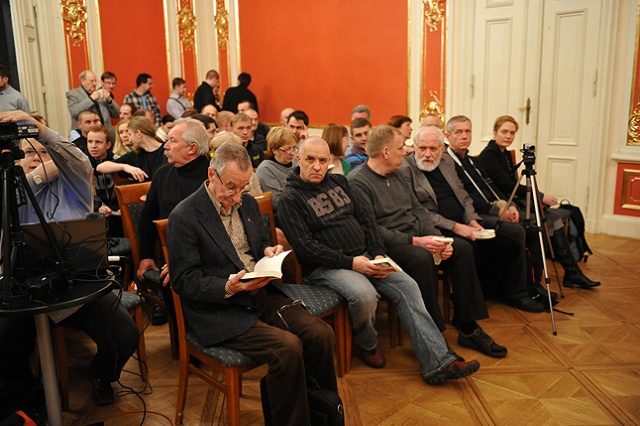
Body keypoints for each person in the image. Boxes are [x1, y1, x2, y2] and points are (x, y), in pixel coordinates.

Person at [276, 136, 480, 384]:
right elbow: (307, 249)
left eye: (322, 160)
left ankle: (438, 363)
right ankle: (368, 344)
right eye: (310, 160)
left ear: (329, 161)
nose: (317, 166)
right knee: (364, 295)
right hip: (327, 267)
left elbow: (367, 220)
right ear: (298, 160)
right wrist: (353, 263)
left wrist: (379, 253)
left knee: (408, 286)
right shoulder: (289, 199)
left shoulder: (339, 182)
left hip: (368, 257)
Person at [168, 142, 337, 425]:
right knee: (287, 348)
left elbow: (258, 245)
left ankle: (324, 414)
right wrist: (228, 287)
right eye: (231, 187)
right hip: (221, 308)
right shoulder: (185, 216)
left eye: (242, 188)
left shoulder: (246, 202)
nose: (237, 197)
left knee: (321, 335)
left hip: (258, 292)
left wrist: (268, 252)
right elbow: (184, 281)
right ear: (212, 175)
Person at [0, 110, 139, 406]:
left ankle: (101, 375)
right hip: (27, 293)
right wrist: (32, 177)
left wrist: (38, 131)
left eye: (42, 149)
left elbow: (76, 159)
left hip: (77, 288)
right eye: (27, 152)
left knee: (124, 335)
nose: (36, 155)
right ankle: (30, 397)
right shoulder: (12, 191)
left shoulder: (73, 185)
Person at [348, 125, 507, 358]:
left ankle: (468, 326)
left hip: (416, 236)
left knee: (461, 248)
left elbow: (418, 209)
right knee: (421, 258)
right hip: (390, 245)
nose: (406, 152)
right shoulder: (358, 181)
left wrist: (437, 239)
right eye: (401, 147)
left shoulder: (400, 172)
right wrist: (419, 242)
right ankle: (435, 338)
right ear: (385, 152)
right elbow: (370, 231)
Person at [405, 125, 545, 312]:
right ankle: (473, 306)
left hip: (465, 220)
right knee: (468, 247)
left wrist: (472, 221)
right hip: (438, 226)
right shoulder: (407, 168)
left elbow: (463, 195)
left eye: (433, 148)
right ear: (415, 147)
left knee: (513, 233)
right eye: (422, 148)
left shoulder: (446, 162)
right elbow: (420, 212)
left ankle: (514, 292)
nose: (427, 154)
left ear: (442, 148)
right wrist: (457, 227)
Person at [476, 115, 600, 289]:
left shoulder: (504, 153)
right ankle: (542, 280)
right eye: (504, 132)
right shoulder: (490, 155)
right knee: (545, 222)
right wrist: (539, 196)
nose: (508, 136)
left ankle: (572, 272)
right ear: (495, 132)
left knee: (554, 220)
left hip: (515, 201)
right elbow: (507, 185)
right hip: (504, 204)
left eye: (512, 133)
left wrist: (537, 198)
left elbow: (512, 184)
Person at [96, 116, 166, 181]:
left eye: (129, 134)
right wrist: (124, 167)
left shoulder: (168, 149)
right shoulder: (135, 155)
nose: (129, 139)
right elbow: (100, 167)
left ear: (138, 134)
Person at [86, 124, 123, 237]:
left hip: (118, 210)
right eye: (90, 141)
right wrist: (97, 206)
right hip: (96, 210)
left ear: (108, 145)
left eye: (98, 142)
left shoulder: (118, 160)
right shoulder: (84, 164)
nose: (93, 146)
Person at [66, 70, 120, 138]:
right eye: (91, 81)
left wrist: (109, 100)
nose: (94, 83)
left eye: (95, 81)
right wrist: (91, 99)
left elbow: (117, 114)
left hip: (105, 135)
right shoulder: (73, 94)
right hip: (84, 137)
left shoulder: (100, 93)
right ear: (82, 80)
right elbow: (74, 112)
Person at [255, 127, 297, 209]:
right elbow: (277, 202)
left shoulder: (297, 165)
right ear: (274, 150)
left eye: (294, 148)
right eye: (287, 149)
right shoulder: (266, 169)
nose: (292, 153)